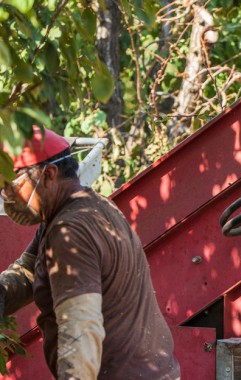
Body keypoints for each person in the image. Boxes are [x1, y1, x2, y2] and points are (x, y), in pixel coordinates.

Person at [0, 126, 180, 379]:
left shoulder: (69, 232)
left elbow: (81, 332)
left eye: (11, 184)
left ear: (49, 175)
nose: (6, 195)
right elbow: (28, 273)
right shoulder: (89, 207)